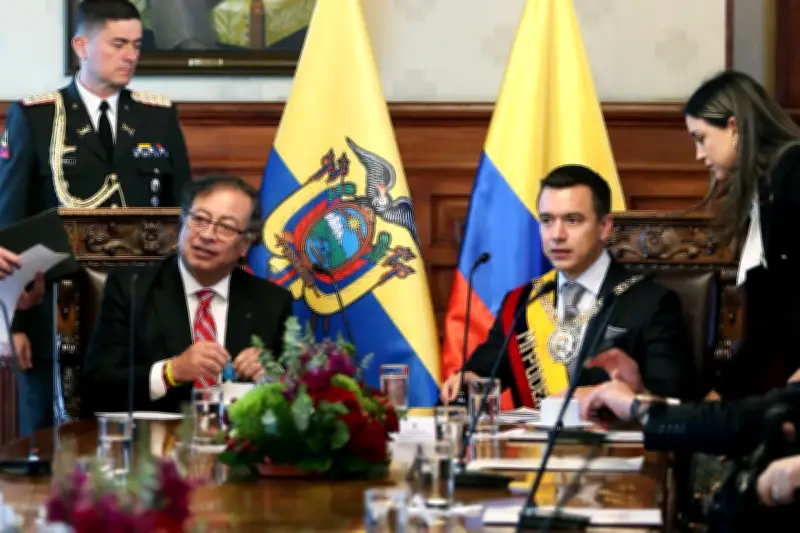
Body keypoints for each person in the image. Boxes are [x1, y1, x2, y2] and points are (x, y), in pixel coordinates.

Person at [0, 0, 192, 435]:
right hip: (54, 313)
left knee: (143, 444)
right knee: (51, 447)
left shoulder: (158, 116)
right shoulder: (37, 115)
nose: (131, 56)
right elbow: (10, 229)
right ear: (82, 46)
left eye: (137, 45)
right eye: (118, 44)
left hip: (139, 317)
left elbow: (182, 213)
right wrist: (13, 324)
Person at [439, 164, 695, 407]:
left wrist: (604, 396)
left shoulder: (651, 302)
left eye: (572, 220)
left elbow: (671, 402)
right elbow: (484, 371)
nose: (557, 235)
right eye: (547, 220)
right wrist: (468, 379)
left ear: (604, 227)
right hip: (531, 440)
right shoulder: (522, 302)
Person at [82, 175, 293, 414]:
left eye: (225, 227)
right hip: (156, 434)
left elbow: (297, 394)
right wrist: (171, 372)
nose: (207, 235)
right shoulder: (132, 287)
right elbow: (97, 385)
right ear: (182, 222)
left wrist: (271, 374)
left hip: (237, 435)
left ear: (245, 244)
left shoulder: (272, 302)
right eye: (199, 219)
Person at [683, 70, 800, 399]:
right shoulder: (766, 190)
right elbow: (768, 325)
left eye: (701, 138)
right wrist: (720, 397)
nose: (699, 155)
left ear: (733, 127)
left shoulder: (794, 175)